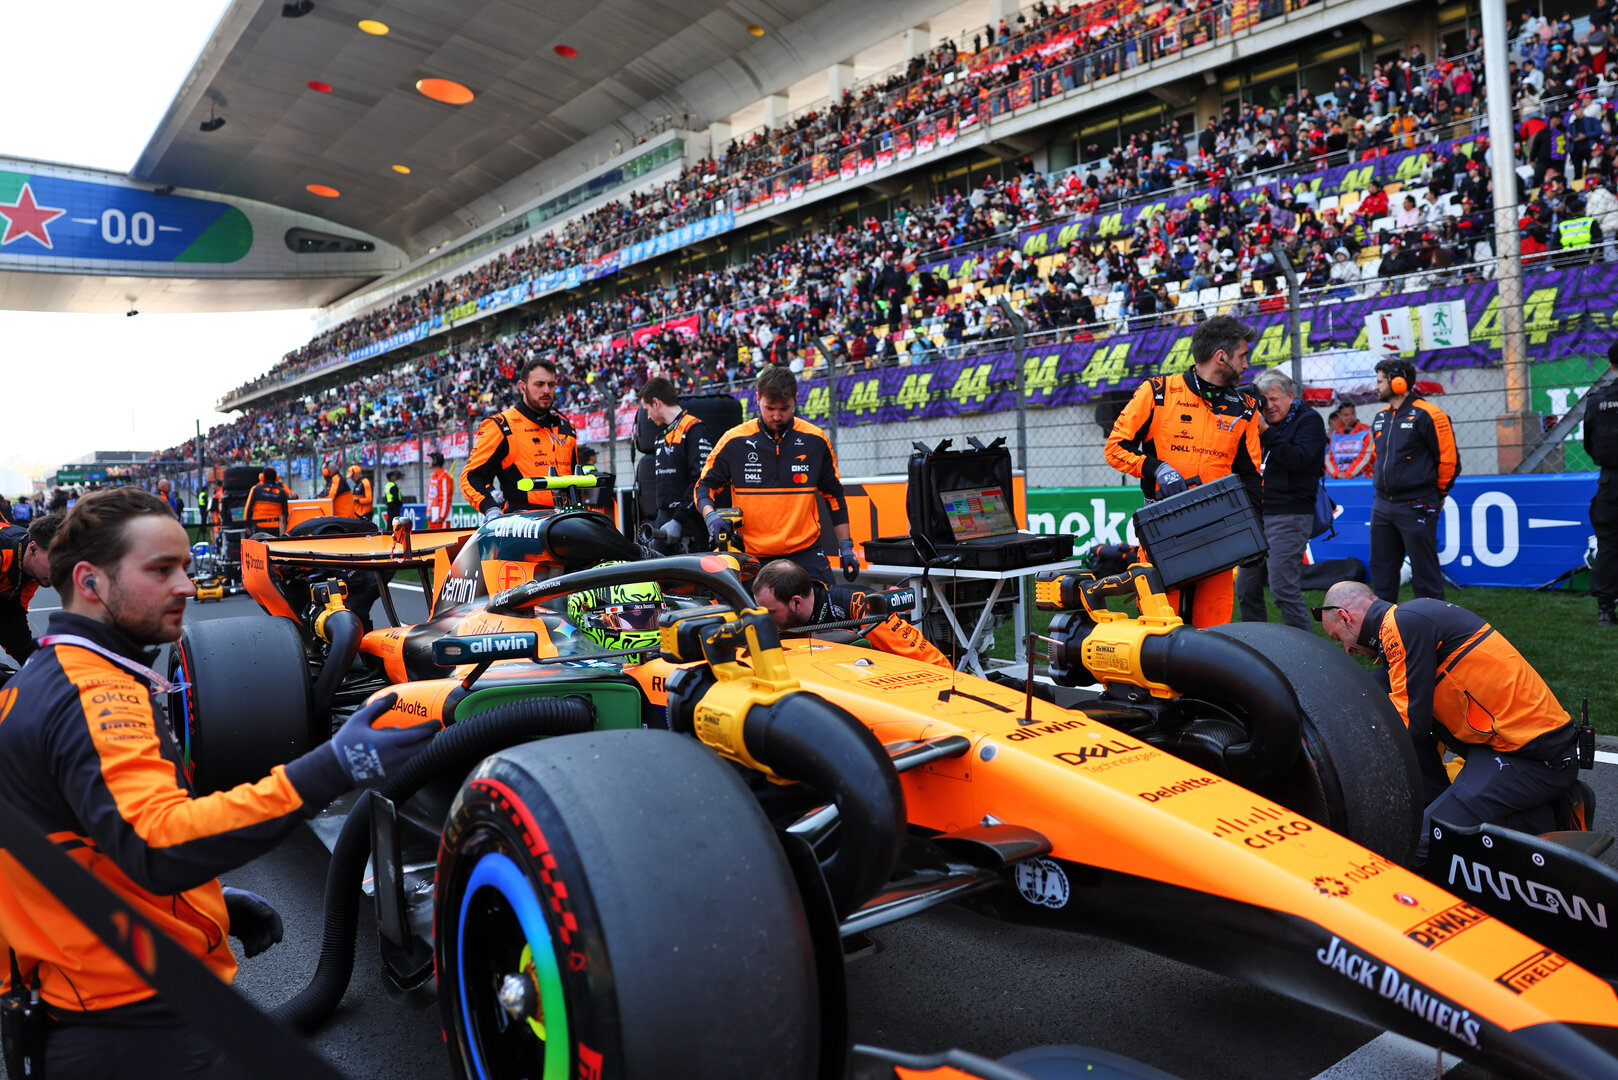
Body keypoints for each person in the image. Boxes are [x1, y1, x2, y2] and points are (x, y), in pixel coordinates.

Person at [0, 487, 439, 1079]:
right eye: (161, 569)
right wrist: (335, 766)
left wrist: (201, 905)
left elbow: (80, 842)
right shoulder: (95, 695)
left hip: (94, 1007)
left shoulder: (42, 681)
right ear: (90, 581)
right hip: (134, 1026)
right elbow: (159, 843)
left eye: (185, 565)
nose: (186, 584)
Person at [1315, 581, 1579, 863]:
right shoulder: (1410, 618)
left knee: (1416, 845)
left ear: (1345, 617)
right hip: (1508, 749)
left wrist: (1343, 765)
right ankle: (1436, 800)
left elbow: (1411, 725)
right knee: (1378, 686)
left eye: (1337, 637)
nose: (1346, 650)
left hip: (1532, 760)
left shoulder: (1401, 623)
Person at [1104, 314, 1264, 626]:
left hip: (1220, 531)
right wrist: (1155, 467)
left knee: (1214, 634)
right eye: (1243, 356)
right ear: (1221, 357)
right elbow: (1115, 448)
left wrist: (1255, 533)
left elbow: (1251, 477)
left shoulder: (1245, 407)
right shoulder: (1158, 392)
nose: (1247, 365)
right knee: (1159, 629)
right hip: (1163, 530)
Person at [695, 366, 853, 585]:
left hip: (805, 553)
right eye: (770, 408)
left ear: (795, 400)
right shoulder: (734, 440)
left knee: (825, 612)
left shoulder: (815, 440)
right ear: (757, 398)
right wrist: (710, 516)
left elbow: (834, 496)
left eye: (784, 408)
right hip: (752, 556)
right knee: (754, 619)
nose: (777, 416)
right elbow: (704, 487)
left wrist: (846, 546)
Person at [1236, 370, 1326, 629]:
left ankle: (1305, 653)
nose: (1270, 406)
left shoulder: (1308, 421)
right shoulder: (1258, 422)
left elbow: (1299, 460)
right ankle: (1262, 646)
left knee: (1283, 589)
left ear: (1290, 395)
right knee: (1246, 587)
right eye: (1264, 400)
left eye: (1275, 399)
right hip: (1257, 512)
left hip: (1290, 513)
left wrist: (1265, 431)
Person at [1368, 358, 1459, 601]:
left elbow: (1449, 461)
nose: (1375, 387)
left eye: (1379, 381)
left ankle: (1432, 633)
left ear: (1398, 382)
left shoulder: (1430, 413)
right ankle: (1384, 631)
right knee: (1381, 573)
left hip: (1417, 502)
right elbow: (1379, 457)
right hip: (1382, 504)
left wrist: (1438, 494)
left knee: (1426, 575)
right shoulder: (1379, 417)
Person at [752, 558, 951, 668]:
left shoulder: (862, 606)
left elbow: (930, 660)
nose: (764, 619)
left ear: (796, 602)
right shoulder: (772, 617)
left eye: (770, 612)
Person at [460, 357, 579, 521]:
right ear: (522, 387)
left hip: (568, 521)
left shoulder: (567, 428)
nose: (546, 390)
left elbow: (575, 478)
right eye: (539, 384)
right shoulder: (501, 425)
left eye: (551, 385)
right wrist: (490, 509)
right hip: (523, 526)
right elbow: (470, 477)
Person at [639, 377, 715, 552]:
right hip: (663, 520)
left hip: (690, 523)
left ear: (656, 402)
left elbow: (700, 481)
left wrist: (678, 520)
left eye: (647, 410)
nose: (648, 417)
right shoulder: (662, 436)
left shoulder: (695, 430)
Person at [0, 513, 63, 668]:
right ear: (33, 548)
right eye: (55, 563)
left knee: (31, 658)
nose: (60, 572)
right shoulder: (4, 551)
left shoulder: (34, 572)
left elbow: (15, 617)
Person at [1585, 341, 1618, 625]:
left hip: (1610, 481)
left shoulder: (1597, 400)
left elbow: (1590, 445)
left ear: (1610, 364)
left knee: (1608, 545)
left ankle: (1605, 610)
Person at [1324, 401, 1376, 478]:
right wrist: (1336, 474)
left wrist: (1348, 474)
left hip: (1362, 476)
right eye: (1346, 415)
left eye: (1352, 414)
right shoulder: (1336, 434)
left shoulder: (1366, 431)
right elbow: (1330, 457)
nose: (1349, 417)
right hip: (1338, 476)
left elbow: (1367, 456)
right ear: (1340, 416)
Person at [241, 467, 293, 535]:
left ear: (262, 477)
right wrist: (284, 527)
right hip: (276, 527)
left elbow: (249, 508)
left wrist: (247, 525)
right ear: (276, 478)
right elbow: (285, 512)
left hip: (260, 527)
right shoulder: (281, 491)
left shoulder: (256, 489)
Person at [426, 451, 454, 529]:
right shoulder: (433, 476)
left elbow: (445, 498)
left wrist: (441, 516)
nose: (429, 462)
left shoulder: (444, 476)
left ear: (435, 461)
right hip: (432, 517)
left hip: (440, 519)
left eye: (430, 459)